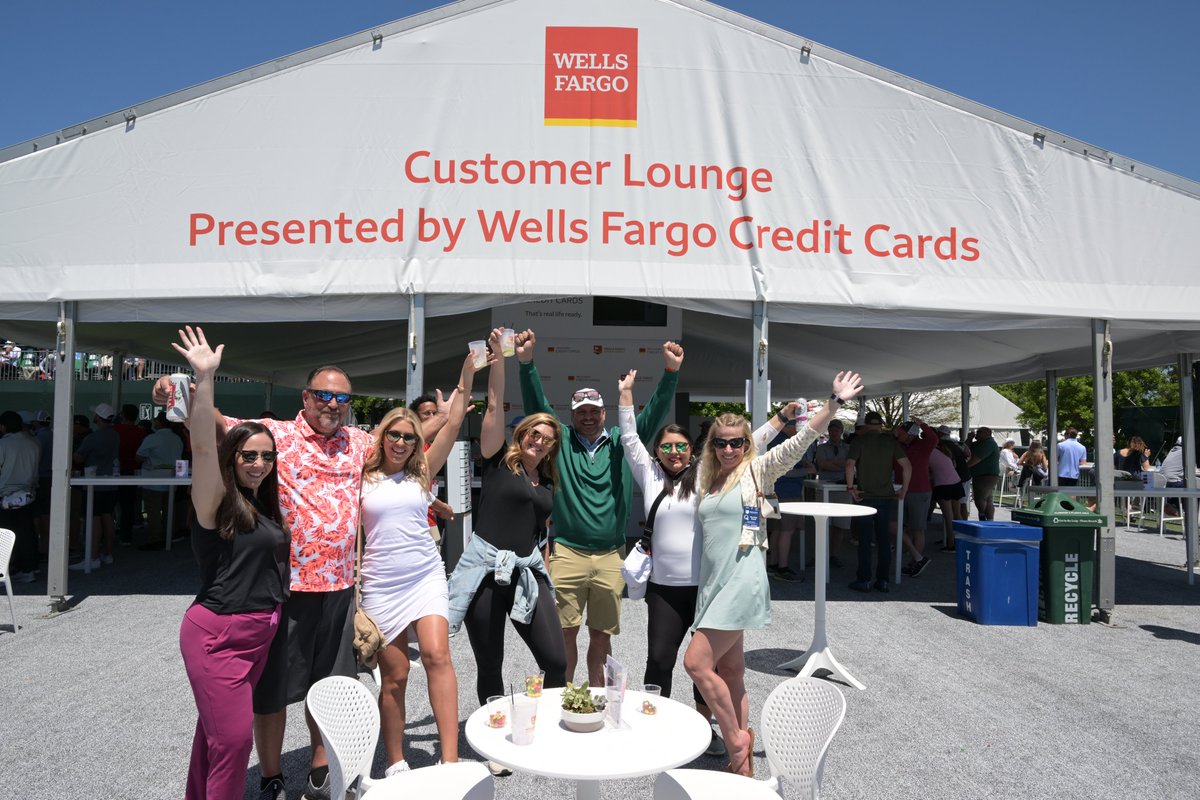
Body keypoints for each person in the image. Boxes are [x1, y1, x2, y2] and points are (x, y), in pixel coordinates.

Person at [154, 359, 438, 800]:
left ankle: (321, 768)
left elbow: (409, 438)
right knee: (271, 694)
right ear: (305, 397)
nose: (333, 404)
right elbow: (214, 424)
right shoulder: (275, 436)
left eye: (342, 397)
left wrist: (455, 403)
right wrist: (173, 391)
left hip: (340, 590)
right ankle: (271, 776)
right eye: (323, 395)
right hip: (285, 590)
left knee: (331, 689)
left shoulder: (361, 443)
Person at [684, 371, 864, 778]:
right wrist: (777, 417)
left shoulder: (757, 472)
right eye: (721, 442)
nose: (729, 448)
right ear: (712, 445)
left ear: (747, 445)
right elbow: (760, 434)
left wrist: (831, 404)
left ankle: (735, 738)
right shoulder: (705, 478)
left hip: (743, 581)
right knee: (730, 673)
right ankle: (742, 772)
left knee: (695, 663)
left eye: (738, 442)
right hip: (713, 584)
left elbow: (800, 443)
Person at [517, 328, 683, 686]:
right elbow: (537, 408)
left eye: (594, 411)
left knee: (602, 637)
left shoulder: (623, 444)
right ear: (572, 415)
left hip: (611, 555)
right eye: (581, 412)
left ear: (606, 412)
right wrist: (527, 363)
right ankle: (561, 698)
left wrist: (670, 373)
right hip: (567, 553)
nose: (588, 417)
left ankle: (594, 700)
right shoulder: (559, 442)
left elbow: (652, 414)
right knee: (563, 634)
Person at [173, 326, 290, 800]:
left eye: (266, 456)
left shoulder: (266, 505)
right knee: (235, 742)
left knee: (214, 736)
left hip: (260, 632)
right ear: (233, 456)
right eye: (248, 455)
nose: (258, 463)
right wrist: (204, 378)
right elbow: (202, 445)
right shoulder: (216, 501)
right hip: (218, 634)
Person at [448, 329, 568, 777]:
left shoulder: (548, 482)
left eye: (547, 438)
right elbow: (494, 403)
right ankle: (496, 742)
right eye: (534, 434)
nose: (540, 441)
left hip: (526, 572)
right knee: (490, 663)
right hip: (484, 572)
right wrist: (499, 359)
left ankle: (547, 729)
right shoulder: (497, 458)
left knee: (556, 660)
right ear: (522, 435)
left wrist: (546, 564)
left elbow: (542, 530)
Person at [361, 353, 477, 776]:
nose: (401, 443)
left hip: (425, 576)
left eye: (409, 437)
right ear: (381, 436)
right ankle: (395, 762)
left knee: (436, 654)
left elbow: (454, 420)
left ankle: (449, 760)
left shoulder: (422, 472)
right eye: (393, 434)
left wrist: (467, 372)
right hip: (380, 584)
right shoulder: (359, 476)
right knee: (393, 677)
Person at [617, 368, 725, 759]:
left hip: (706, 589)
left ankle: (705, 727)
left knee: (702, 666)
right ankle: (653, 723)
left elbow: (750, 445)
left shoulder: (707, 476)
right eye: (667, 447)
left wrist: (781, 420)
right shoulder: (649, 475)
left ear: (691, 450)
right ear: (658, 450)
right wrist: (626, 395)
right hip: (664, 590)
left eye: (681, 447)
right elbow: (630, 439)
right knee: (659, 661)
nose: (674, 452)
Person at [846, 411, 910, 592]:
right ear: (881, 424)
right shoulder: (890, 442)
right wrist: (904, 489)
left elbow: (849, 465)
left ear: (865, 425)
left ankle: (864, 579)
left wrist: (851, 488)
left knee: (865, 541)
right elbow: (907, 466)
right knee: (883, 541)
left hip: (865, 497)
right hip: (886, 497)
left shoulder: (859, 441)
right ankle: (883, 580)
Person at [70, 403, 121, 570]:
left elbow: (78, 458)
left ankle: (92, 557)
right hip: (111, 483)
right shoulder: (115, 436)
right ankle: (108, 553)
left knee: (94, 519)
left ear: (98, 418)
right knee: (108, 517)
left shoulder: (92, 438)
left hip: (95, 483)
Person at [0, 410, 41, 583]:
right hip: (27, 494)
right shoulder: (34, 443)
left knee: (4, 535)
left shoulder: (3, 444)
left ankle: (5, 571)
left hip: (5, 495)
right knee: (26, 533)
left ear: (3, 426)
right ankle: (29, 569)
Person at [136, 412, 184, 549]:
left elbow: (138, 456)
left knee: (153, 511)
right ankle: (169, 536)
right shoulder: (177, 438)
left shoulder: (152, 438)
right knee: (169, 510)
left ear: (160, 422)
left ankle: (154, 539)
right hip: (172, 479)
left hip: (153, 479)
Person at [895, 419, 937, 577]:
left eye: (902, 432)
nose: (898, 434)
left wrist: (922, 425)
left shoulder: (924, 445)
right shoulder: (898, 445)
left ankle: (916, 562)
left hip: (919, 491)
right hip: (901, 490)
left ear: (910, 434)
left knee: (917, 528)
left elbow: (933, 438)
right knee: (901, 526)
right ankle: (915, 558)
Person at [813, 418, 851, 567]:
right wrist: (841, 466)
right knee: (822, 523)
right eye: (831, 430)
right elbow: (822, 464)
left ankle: (834, 555)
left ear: (841, 431)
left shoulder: (848, 448)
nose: (834, 433)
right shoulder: (821, 448)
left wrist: (833, 465)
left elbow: (850, 465)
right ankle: (821, 554)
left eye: (837, 430)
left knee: (840, 524)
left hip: (842, 488)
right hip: (824, 488)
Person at [929, 439, 966, 552]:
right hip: (956, 483)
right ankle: (961, 541)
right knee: (957, 514)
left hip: (943, 485)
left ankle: (951, 544)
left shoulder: (929, 453)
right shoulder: (944, 452)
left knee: (948, 516)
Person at [966, 427, 1001, 520]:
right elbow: (965, 449)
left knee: (980, 498)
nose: (977, 433)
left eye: (980, 432)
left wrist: (963, 467)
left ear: (987, 433)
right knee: (988, 499)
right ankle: (989, 520)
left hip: (986, 476)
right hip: (982, 475)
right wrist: (969, 438)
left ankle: (983, 516)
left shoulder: (988, 444)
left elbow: (975, 459)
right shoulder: (979, 443)